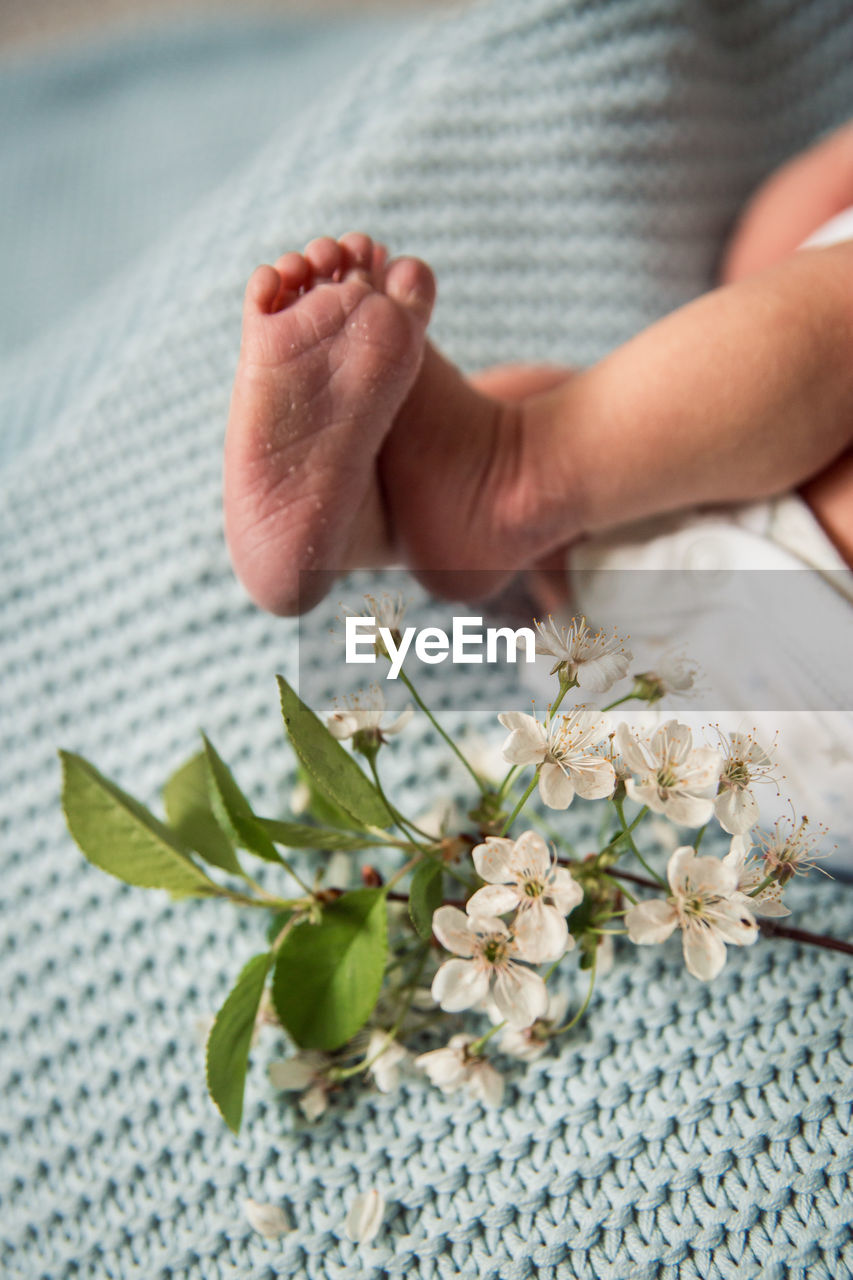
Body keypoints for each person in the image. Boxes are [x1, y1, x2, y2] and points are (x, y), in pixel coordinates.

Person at [224, 121, 853, 618]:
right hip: (704, 715)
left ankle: (515, 470)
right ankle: (384, 522)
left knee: (790, 309)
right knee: (725, 335)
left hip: (788, 618)